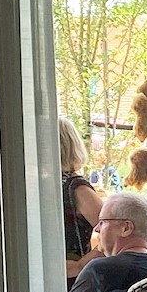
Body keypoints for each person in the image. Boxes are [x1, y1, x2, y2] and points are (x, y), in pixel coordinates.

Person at [59, 117, 101, 277]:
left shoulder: (76, 188)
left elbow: (114, 233)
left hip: (71, 283)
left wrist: (80, 266)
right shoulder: (44, 186)